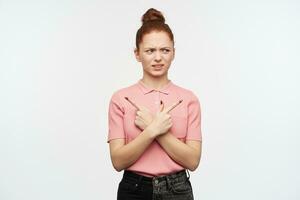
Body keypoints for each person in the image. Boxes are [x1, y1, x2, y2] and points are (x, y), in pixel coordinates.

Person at [107, 8, 202, 200]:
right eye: (150, 51)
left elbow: (192, 161)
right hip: (134, 189)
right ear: (137, 54)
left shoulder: (189, 99)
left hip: (178, 190)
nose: (158, 58)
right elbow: (118, 161)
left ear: (173, 52)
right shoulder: (121, 99)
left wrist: (155, 127)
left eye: (165, 50)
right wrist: (151, 131)